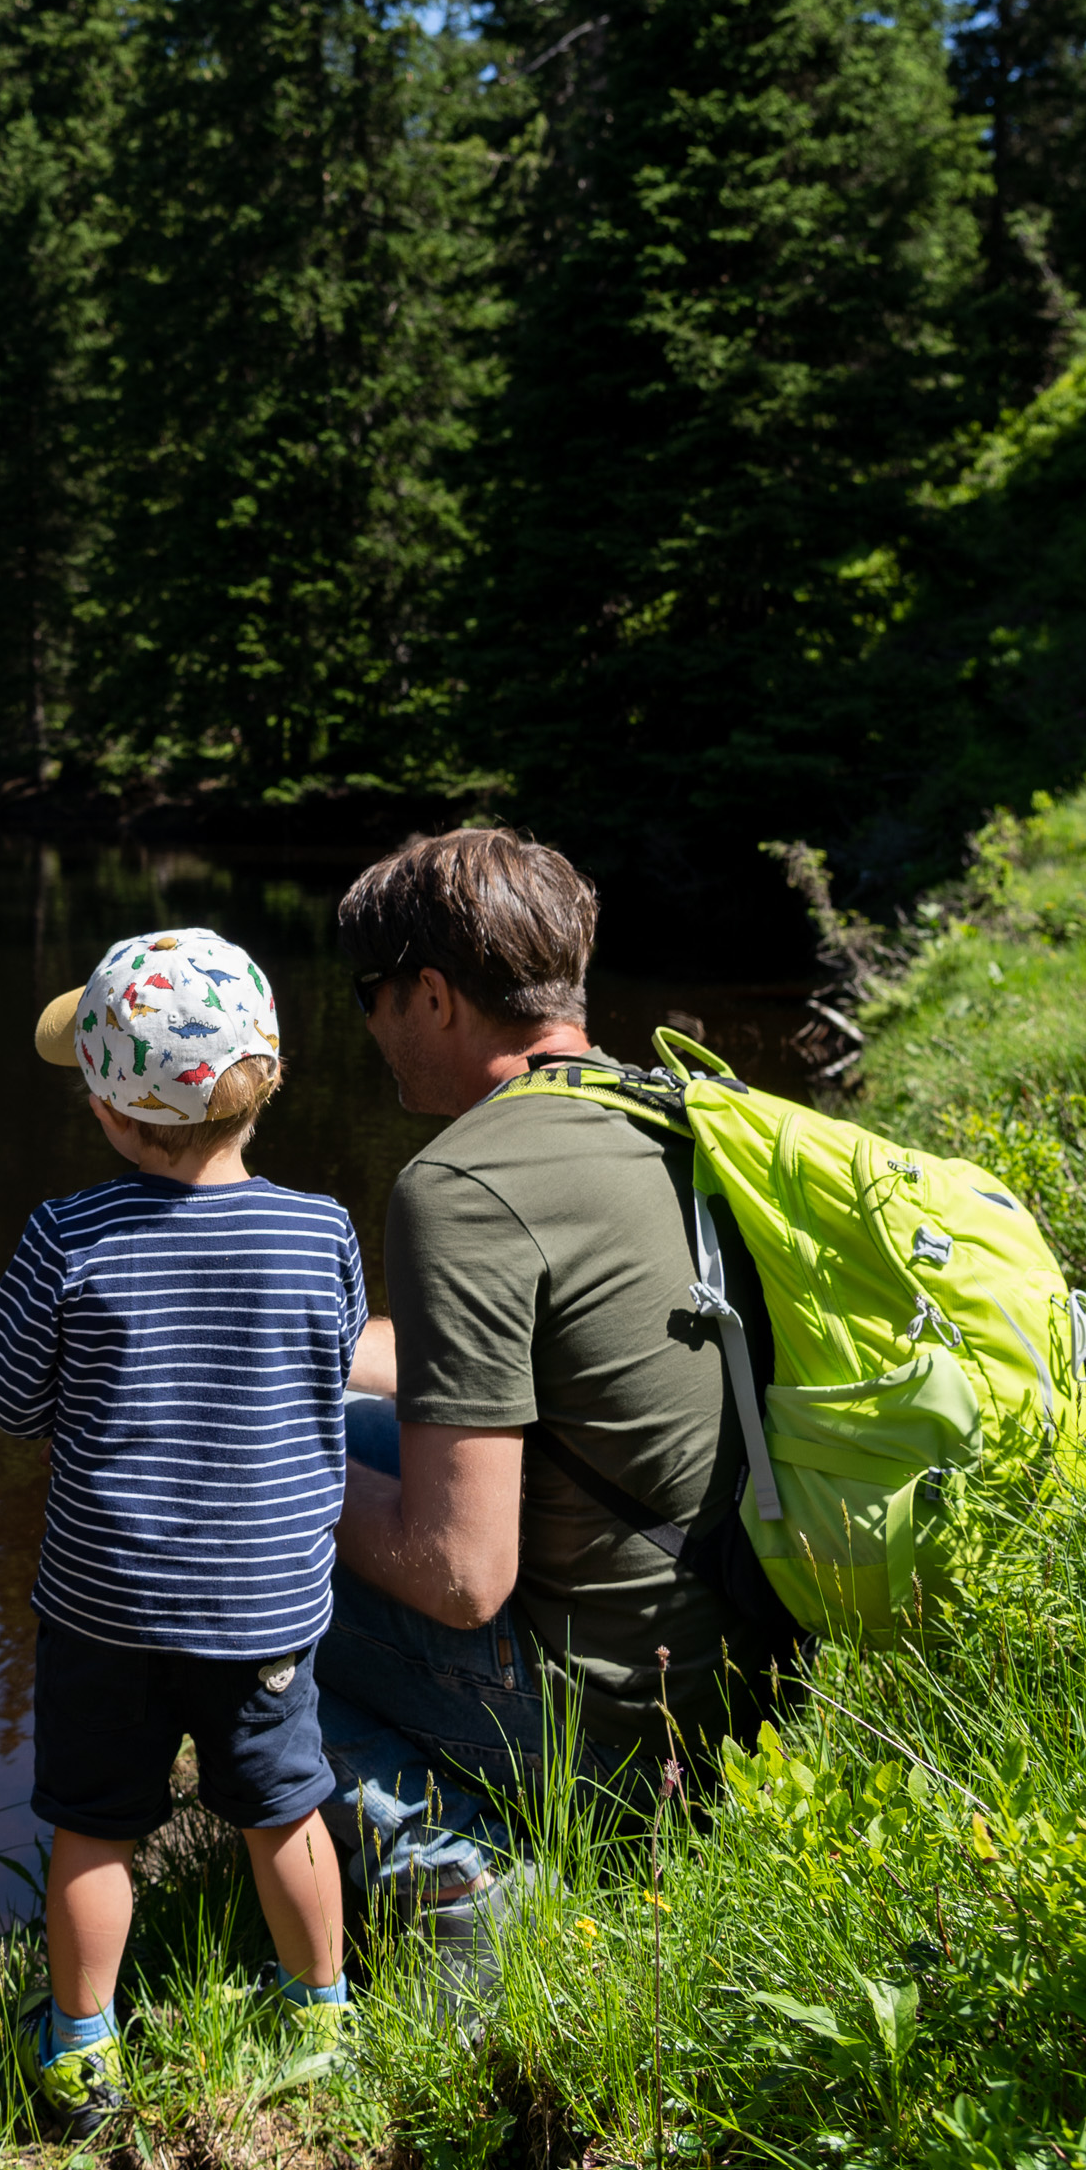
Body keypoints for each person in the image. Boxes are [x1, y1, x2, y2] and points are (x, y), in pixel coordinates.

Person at [321, 826, 802, 1973]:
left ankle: (465, 1881)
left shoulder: (459, 1184)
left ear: (431, 995)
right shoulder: (670, 1109)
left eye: (370, 993)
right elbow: (527, 1353)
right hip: (747, 1675)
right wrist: (285, 1361)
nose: (369, 1022)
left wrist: (259, 1473)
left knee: (216, 1590)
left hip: (608, 1725)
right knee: (332, 1421)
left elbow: (458, 1571)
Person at [0, 927, 365, 2139]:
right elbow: (328, 1377)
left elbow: (12, 1405)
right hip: (262, 1602)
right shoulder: (321, 1231)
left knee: (96, 1824)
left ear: (106, 1104)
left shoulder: (64, 1235)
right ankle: (319, 2013)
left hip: (107, 1604)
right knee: (281, 1802)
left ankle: (78, 2052)